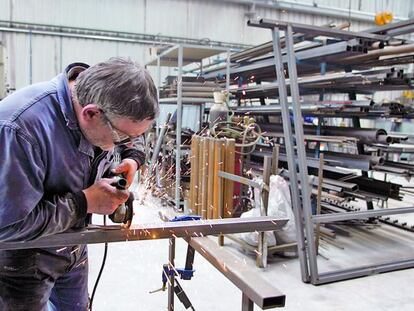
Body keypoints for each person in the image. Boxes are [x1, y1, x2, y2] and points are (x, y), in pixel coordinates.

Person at [0, 57, 159, 310]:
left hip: (73, 247)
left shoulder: (105, 104)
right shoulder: (19, 129)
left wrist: (132, 160)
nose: (126, 142)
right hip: (23, 263)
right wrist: (85, 202)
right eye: (122, 137)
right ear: (91, 113)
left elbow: (131, 135)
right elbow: (7, 225)